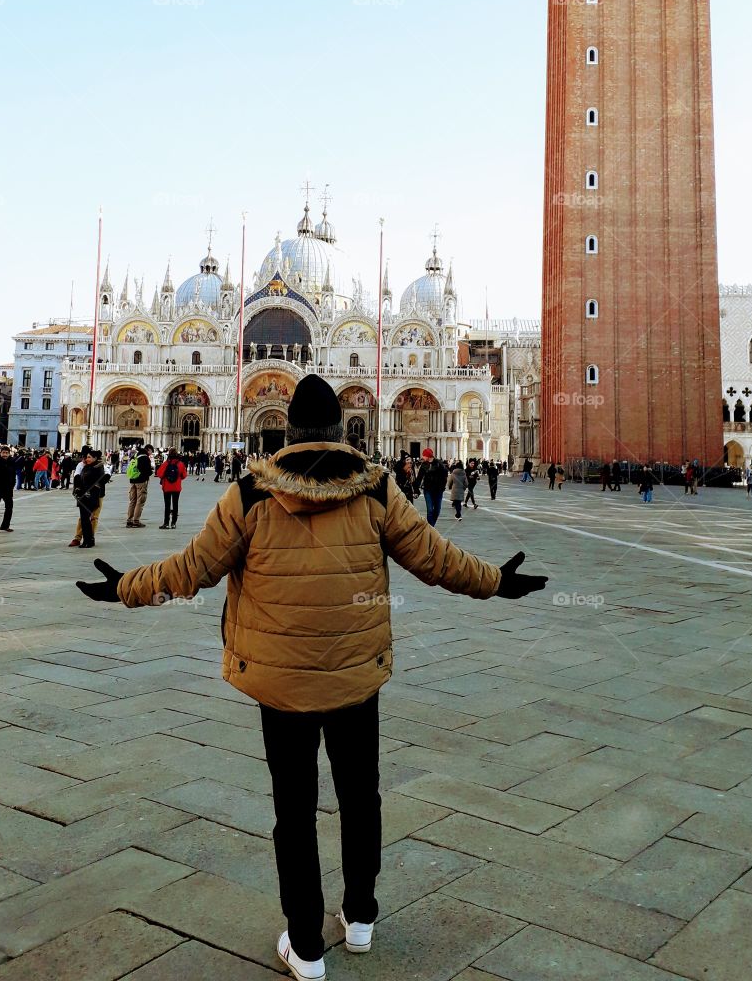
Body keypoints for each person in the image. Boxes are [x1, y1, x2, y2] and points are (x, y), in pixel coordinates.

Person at [76, 374, 548, 980]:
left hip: (281, 685)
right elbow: (436, 558)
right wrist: (498, 582)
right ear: (339, 429)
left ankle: (305, 946)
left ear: (290, 431)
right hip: (355, 680)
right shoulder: (377, 488)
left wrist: (124, 588)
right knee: (361, 797)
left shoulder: (249, 494)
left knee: (293, 812)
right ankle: (360, 918)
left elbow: (191, 570)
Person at [74, 448, 106, 548]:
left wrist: (87, 490)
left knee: (86, 519)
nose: (86, 459)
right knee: (84, 520)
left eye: (89, 457)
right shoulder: (86, 467)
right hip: (83, 497)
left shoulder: (97, 468)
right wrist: (78, 488)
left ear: (95, 458)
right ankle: (88, 540)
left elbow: (97, 482)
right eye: (86, 457)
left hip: (90, 497)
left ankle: (88, 540)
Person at [416, 449, 448, 527]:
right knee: (430, 510)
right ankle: (430, 528)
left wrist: (442, 487)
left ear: (427, 455)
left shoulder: (439, 464)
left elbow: (445, 476)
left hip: (438, 490)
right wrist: (416, 490)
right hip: (428, 489)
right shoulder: (423, 465)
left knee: (437, 510)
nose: (422, 457)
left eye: (423, 455)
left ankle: (431, 526)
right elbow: (419, 478)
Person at [126, 445, 154, 528]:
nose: (150, 454)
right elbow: (147, 471)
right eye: (151, 452)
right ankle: (136, 521)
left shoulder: (135, 456)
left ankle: (129, 520)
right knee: (140, 501)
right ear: (148, 450)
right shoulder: (145, 458)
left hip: (132, 481)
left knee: (132, 501)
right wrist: (151, 471)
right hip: (141, 481)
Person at [158, 450, 186, 530]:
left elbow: (159, 473)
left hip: (167, 487)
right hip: (177, 487)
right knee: (175, 505)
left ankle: (166, 523)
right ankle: (173, 523)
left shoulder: (166, 464)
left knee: (167, 505)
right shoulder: (181, 464)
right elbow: (184, 475)